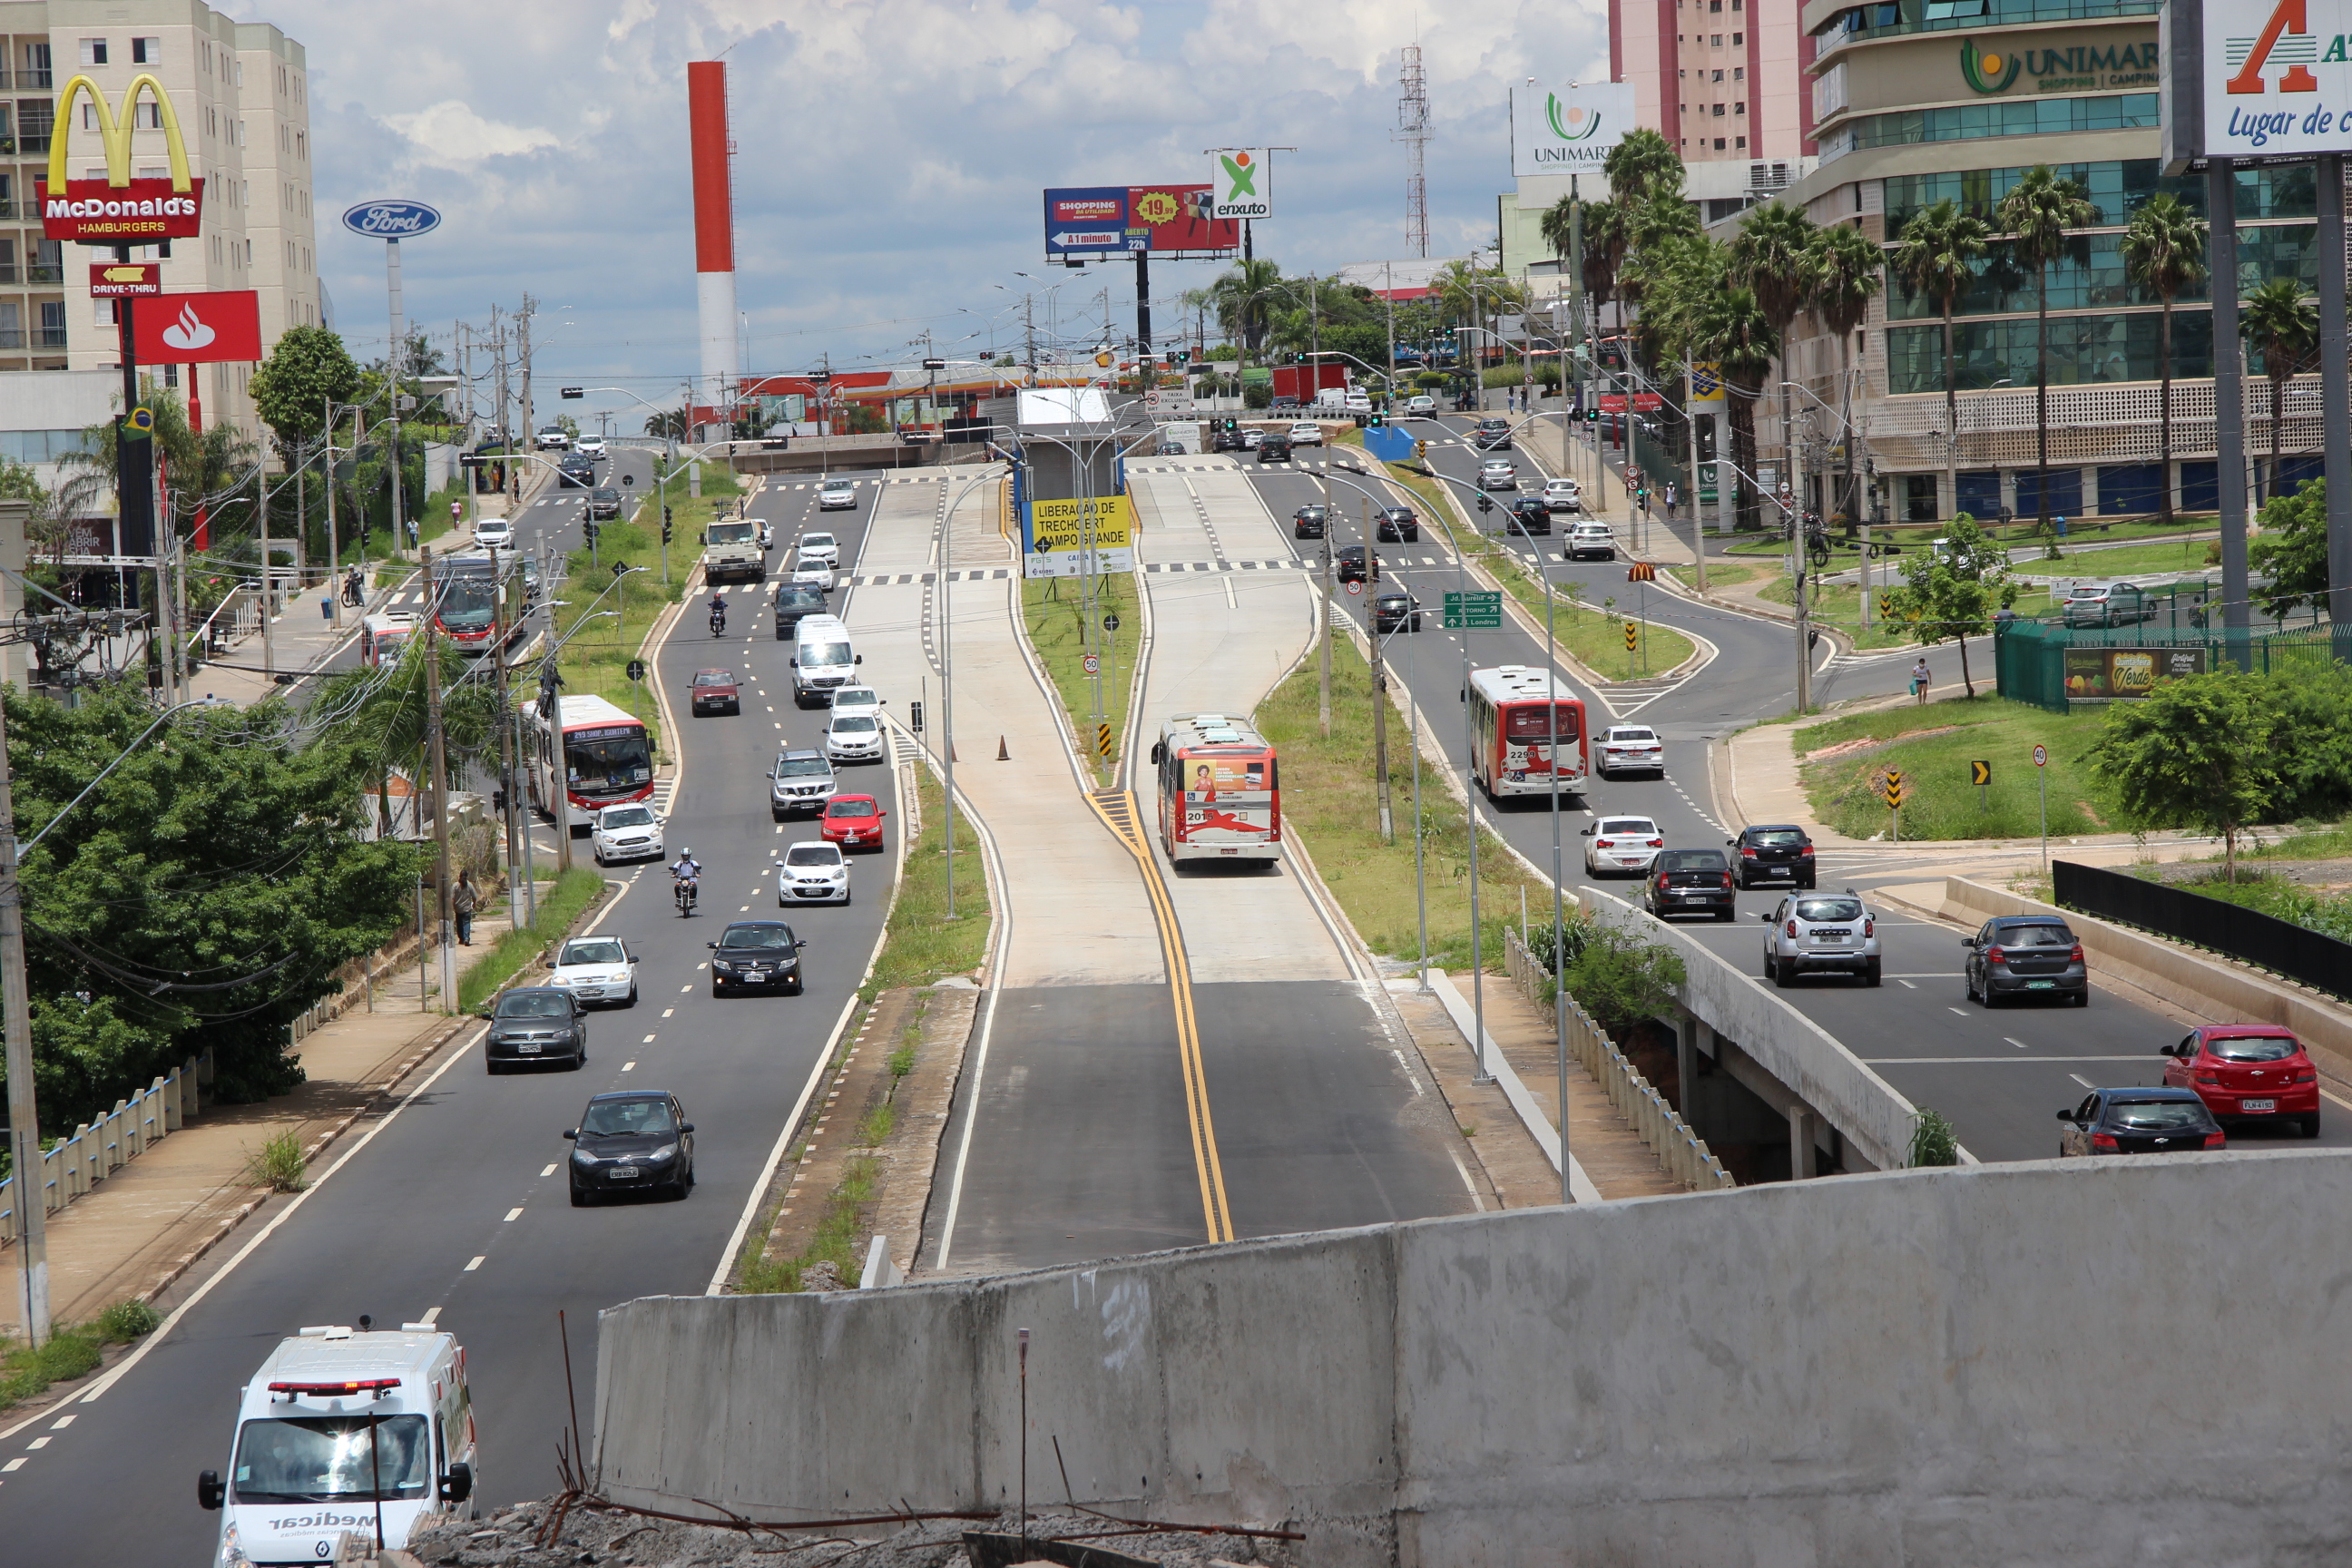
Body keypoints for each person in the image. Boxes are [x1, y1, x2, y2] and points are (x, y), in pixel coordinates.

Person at [452, 870, 479, 946]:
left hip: (458, 909)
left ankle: (461, 939)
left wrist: (452, 907)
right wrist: (474, 904)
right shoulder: (469, 885)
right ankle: (466, 938)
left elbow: (452, 899)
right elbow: (474, 896)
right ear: (467, 876)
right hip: (467, 909)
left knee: (459, 924)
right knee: (466, 923)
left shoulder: (455, 886)